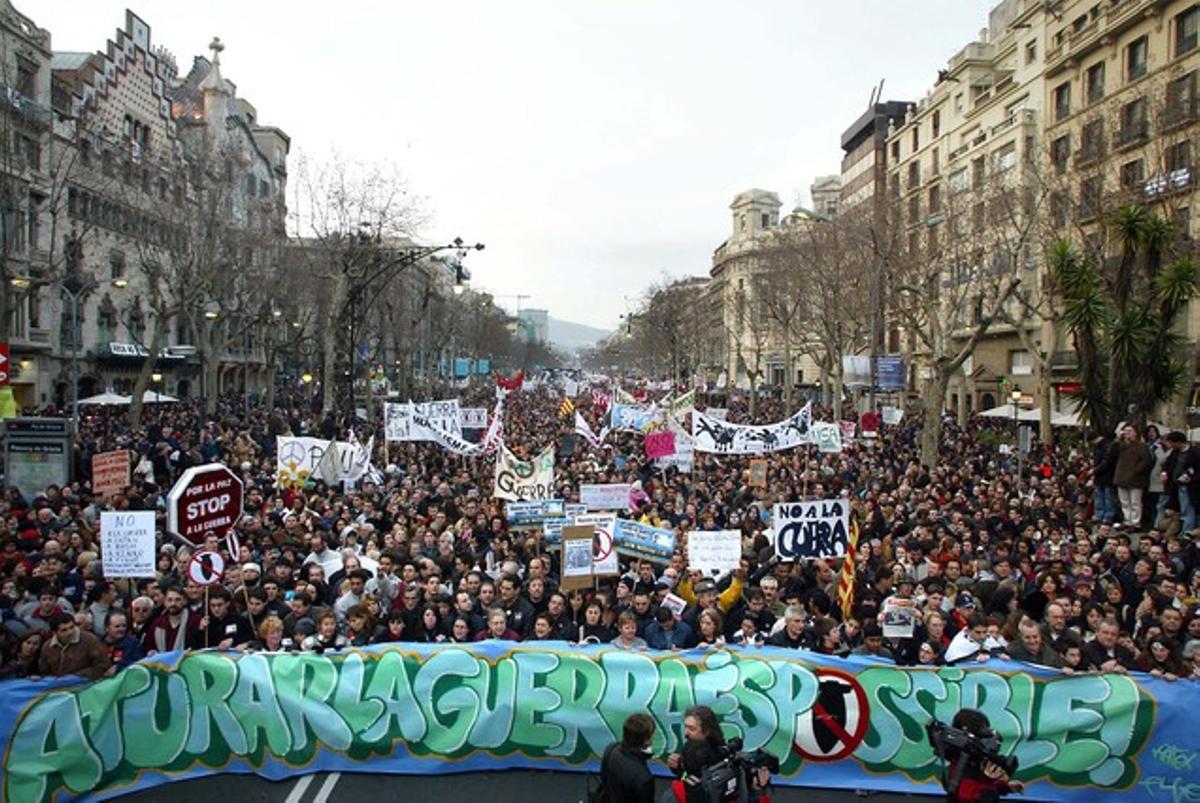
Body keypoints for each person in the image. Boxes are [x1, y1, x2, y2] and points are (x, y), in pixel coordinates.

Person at [938, 709, 1024, 802]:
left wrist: (1005, 787)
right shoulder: (963, 769)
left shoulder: (968, 763)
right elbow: (973, 796)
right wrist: (988, 781)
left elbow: (977, 786)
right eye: (983, 730)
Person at [596, 712, 656, 803]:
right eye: (651, 735)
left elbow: (604, 781)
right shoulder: (644, 778)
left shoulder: (611, 749)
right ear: (646, 740)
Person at [37, 612, 112, 680]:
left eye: (72, 627)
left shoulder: (90, 640)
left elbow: (103, 665)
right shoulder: (47, 647)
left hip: (85, 684)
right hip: (58, 688)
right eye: (64, 630)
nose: (70, 632)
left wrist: (76, 677)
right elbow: (44, 671)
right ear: (54, 632)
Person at [1113, 425, 1152, 530]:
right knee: (1124, 502)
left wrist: (1136, 470)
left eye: (1130, 431)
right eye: (1125, 431)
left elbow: (1146, 460)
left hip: (1135, 479)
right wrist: (1118, 439)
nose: (1127, 433)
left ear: (1135, 433)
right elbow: (1111, 454)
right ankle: (1127, 521)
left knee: (1135, 502)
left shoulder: (1142, 446)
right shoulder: (1121, 446)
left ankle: (1135, 522)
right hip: (1121, 477)